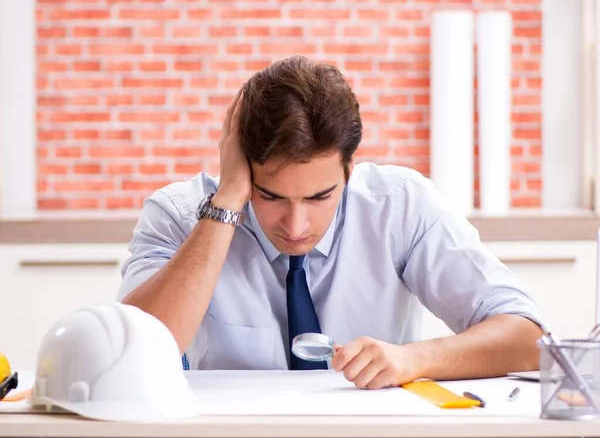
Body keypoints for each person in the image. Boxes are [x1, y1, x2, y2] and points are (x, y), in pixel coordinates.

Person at [118, 55, 545, 390]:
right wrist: (228, 200)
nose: (296, 224)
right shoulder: (177, 214)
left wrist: (415, 359)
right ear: (241, 166)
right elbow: (133, 354)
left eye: (320, 197)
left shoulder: (399, 205)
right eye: (270, 196)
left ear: (349, 169)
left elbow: (528, 337)